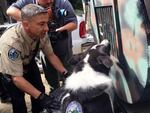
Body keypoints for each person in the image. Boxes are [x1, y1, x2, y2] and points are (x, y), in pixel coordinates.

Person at [0, 4, 68, 113]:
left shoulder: (41, 33)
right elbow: (16, 78)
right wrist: (42, 97)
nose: (46, 28)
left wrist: (65, 72)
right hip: (11, 71)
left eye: (47, 23)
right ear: (26, 24)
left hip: (28, 64)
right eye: (41, 24)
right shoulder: (11, 43)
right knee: (18, 100)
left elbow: (51, 55)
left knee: (39, 90)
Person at [6, 0, 77, 92]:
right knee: (49, 76)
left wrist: (59, 31)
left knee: (67, 76)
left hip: (61, 45)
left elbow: (74, 24)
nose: (50, 1)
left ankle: (70, 93)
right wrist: (33, 19)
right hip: (36, 47)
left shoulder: (63, 3)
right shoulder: (12, 42)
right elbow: (10, 11)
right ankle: (54, 91)